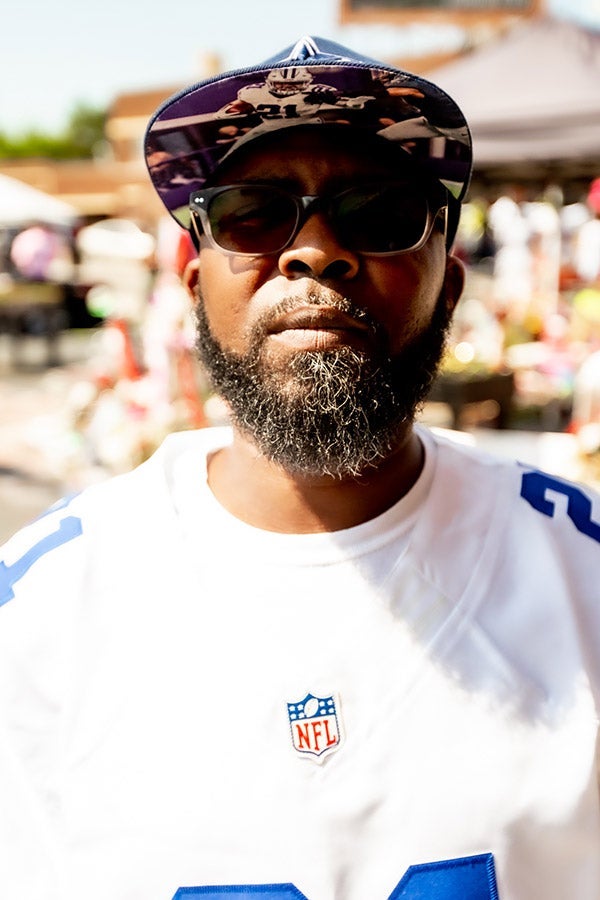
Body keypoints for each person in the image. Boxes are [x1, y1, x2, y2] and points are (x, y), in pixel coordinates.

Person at [0, 35, 598, 900]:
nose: (314, 251)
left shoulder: (582, 574)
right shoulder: (44, 618)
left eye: (382, 213)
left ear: (450, 287)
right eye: (253, 211)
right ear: (192, 275)